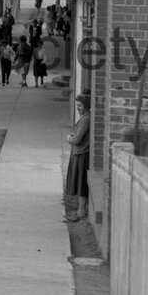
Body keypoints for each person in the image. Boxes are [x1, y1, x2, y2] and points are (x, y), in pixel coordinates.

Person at [65, 94, 91, 222]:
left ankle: (81, 212)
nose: (78, 108)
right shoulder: (84, 118)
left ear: (86, 106)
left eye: (80, 105)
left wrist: (69, 138)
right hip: (79, 153)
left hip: (82, 154)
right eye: (76, 106)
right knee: (80, 184)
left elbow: (76, 139)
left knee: (81, 185)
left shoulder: (86, 119)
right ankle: (79, 211)